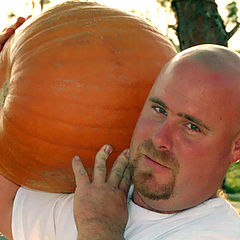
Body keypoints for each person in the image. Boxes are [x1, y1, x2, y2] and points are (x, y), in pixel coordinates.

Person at [1, 18, 240, 240]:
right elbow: (7, 202)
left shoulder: (219, 233)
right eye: (159, 110)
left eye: (191, 126)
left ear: (236, 148)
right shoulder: (102, 199)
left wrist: (99, 230)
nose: (159, 138)